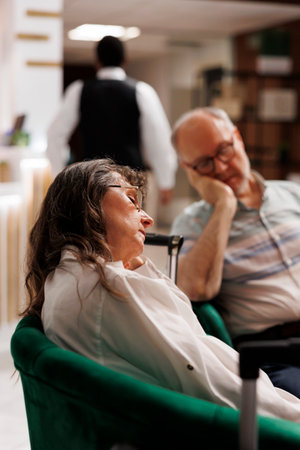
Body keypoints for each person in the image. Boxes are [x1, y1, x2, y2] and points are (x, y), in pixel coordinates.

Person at [22, 158, 300, 423]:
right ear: (88, 203)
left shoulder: (67, 278)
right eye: (132, 200)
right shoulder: (110, 288)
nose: (148, 219)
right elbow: (206, 381)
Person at [170, 106, 300, 396]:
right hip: (273, 355)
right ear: (189, 171)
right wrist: (224, 205)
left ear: (238, 138)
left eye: (224, 150)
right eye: (204, 163)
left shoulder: (293, 195)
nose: (221, 167)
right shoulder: (192, 223)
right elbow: (196, 289)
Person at [46, 35, 177, 206]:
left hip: (91, 183)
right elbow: (159, 141)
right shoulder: (141, 91)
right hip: (131, 182)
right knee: (131, 230)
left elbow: (54, 136)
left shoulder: (79, 90)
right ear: (126, 59)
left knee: (92, 231)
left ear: (96, 60)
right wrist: (166, 181)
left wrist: (61, 178)